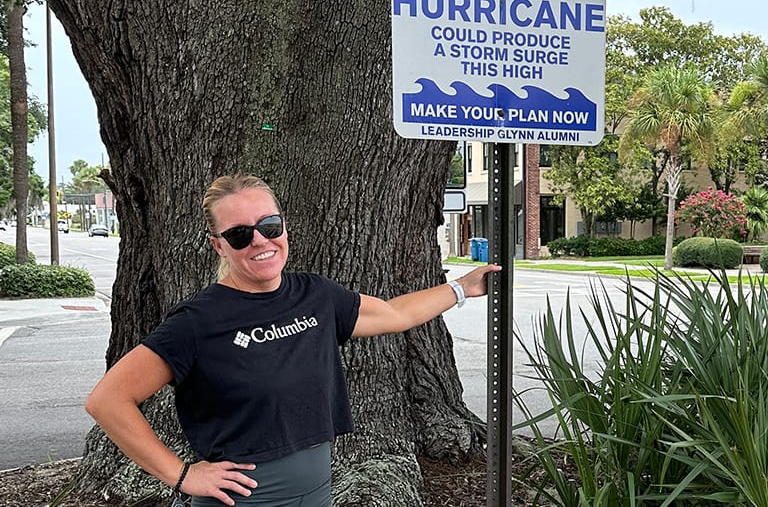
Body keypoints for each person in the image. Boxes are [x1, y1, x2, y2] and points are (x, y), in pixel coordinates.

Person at [85, 174, 501, 506]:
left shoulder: (316, 296)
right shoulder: (198, 321)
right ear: (219, 246)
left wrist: (463, 288)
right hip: (245, 500)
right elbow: (107, 401)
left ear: (284, 227)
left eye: (269, 226)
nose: (260, 241)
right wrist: (182, 475)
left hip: (317, 491)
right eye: (239, 235)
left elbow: (395, 314)